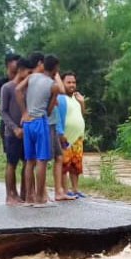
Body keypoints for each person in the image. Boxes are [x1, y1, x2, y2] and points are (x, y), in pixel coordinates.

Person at [17, 53, 61, 207]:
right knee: (42, 160)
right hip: (40, 122)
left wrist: (24, 112)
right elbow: (49, 110)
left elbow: (18, 90)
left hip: (27, 123)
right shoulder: (53, 85)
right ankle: (39, 198)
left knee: (30, 161)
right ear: (55, 68)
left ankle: (29, 198)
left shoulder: (32, 77)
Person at [0, 57, 33, 205]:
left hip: (27, 132)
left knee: (28, 162)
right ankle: (10, 194)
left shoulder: (29, 88)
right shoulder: (7, 88)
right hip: (12, 132)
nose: (30, 75)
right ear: (21, 70)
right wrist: (14, 128)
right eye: (29, 72)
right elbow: (3, 111)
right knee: (11, 163)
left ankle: (25, 193)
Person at [47, 58, 75, 202]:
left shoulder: (64, 97)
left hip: (58, 129)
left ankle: (60, 191)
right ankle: (44, 192)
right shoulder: (54, 90)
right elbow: (55, 112)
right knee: (44, 160)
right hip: (53, 128)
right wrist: (60, 131)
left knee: (59, 158)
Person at [60, 72, 86, 198]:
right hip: (65, 137)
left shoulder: (77, 97)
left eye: (74, 82)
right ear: (62, 83)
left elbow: (82, 114)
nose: (72, 85)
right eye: (69, 82)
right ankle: (65, 191)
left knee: (76, 165)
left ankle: (75, 190)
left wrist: (82, 102)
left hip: (77, 137)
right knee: (64, 165)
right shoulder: (60, 98)